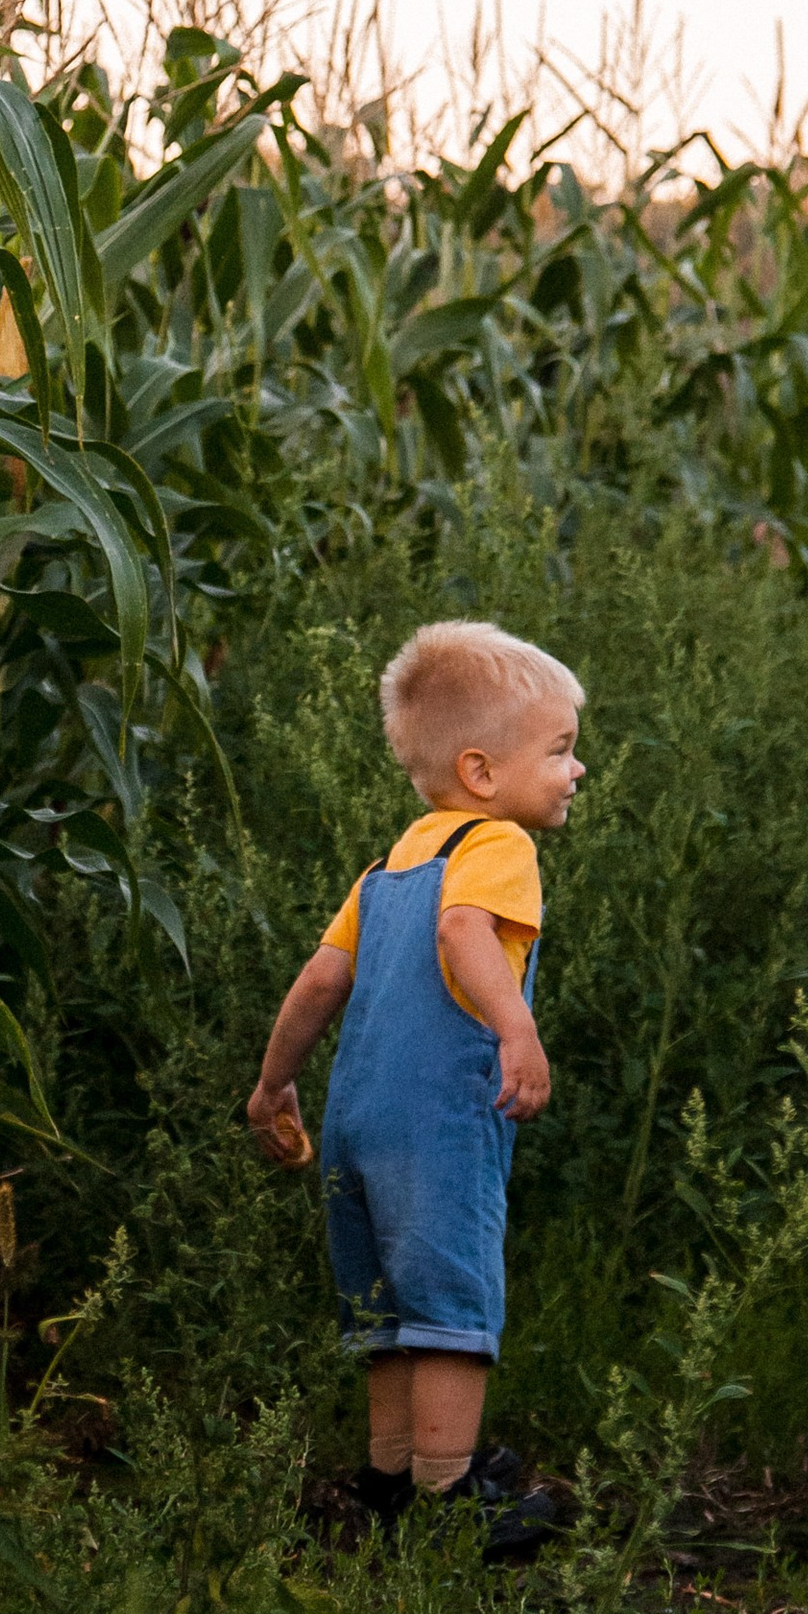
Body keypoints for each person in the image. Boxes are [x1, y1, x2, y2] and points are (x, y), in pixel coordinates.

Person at [247, 619, 583, 1553]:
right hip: (438, 1124)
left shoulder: (390, 866)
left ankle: (389, 1476)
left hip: (358, 1121)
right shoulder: (496, 848)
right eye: (559, 750)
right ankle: (449, 1501)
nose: (576, 769)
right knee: (448, 1304)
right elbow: (464, 934)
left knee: (387, 1308)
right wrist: (516, 1025)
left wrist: (274, 1087)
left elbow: (320, 981)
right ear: (481, 773)